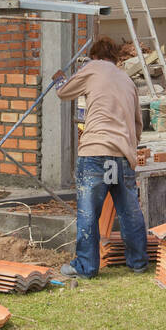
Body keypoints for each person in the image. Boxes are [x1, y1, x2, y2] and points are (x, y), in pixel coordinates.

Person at [54, 36, 150, 278]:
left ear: (94, 56)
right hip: (122, 155)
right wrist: (129, 148)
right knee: (130, 212)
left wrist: (58, 80)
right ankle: (138, 262)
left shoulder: (92, 68)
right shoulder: (127, 80)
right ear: (115, 57)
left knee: (88, 212)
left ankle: (86, 267)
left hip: (96, 153)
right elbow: (138, 124)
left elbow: (64, 93)